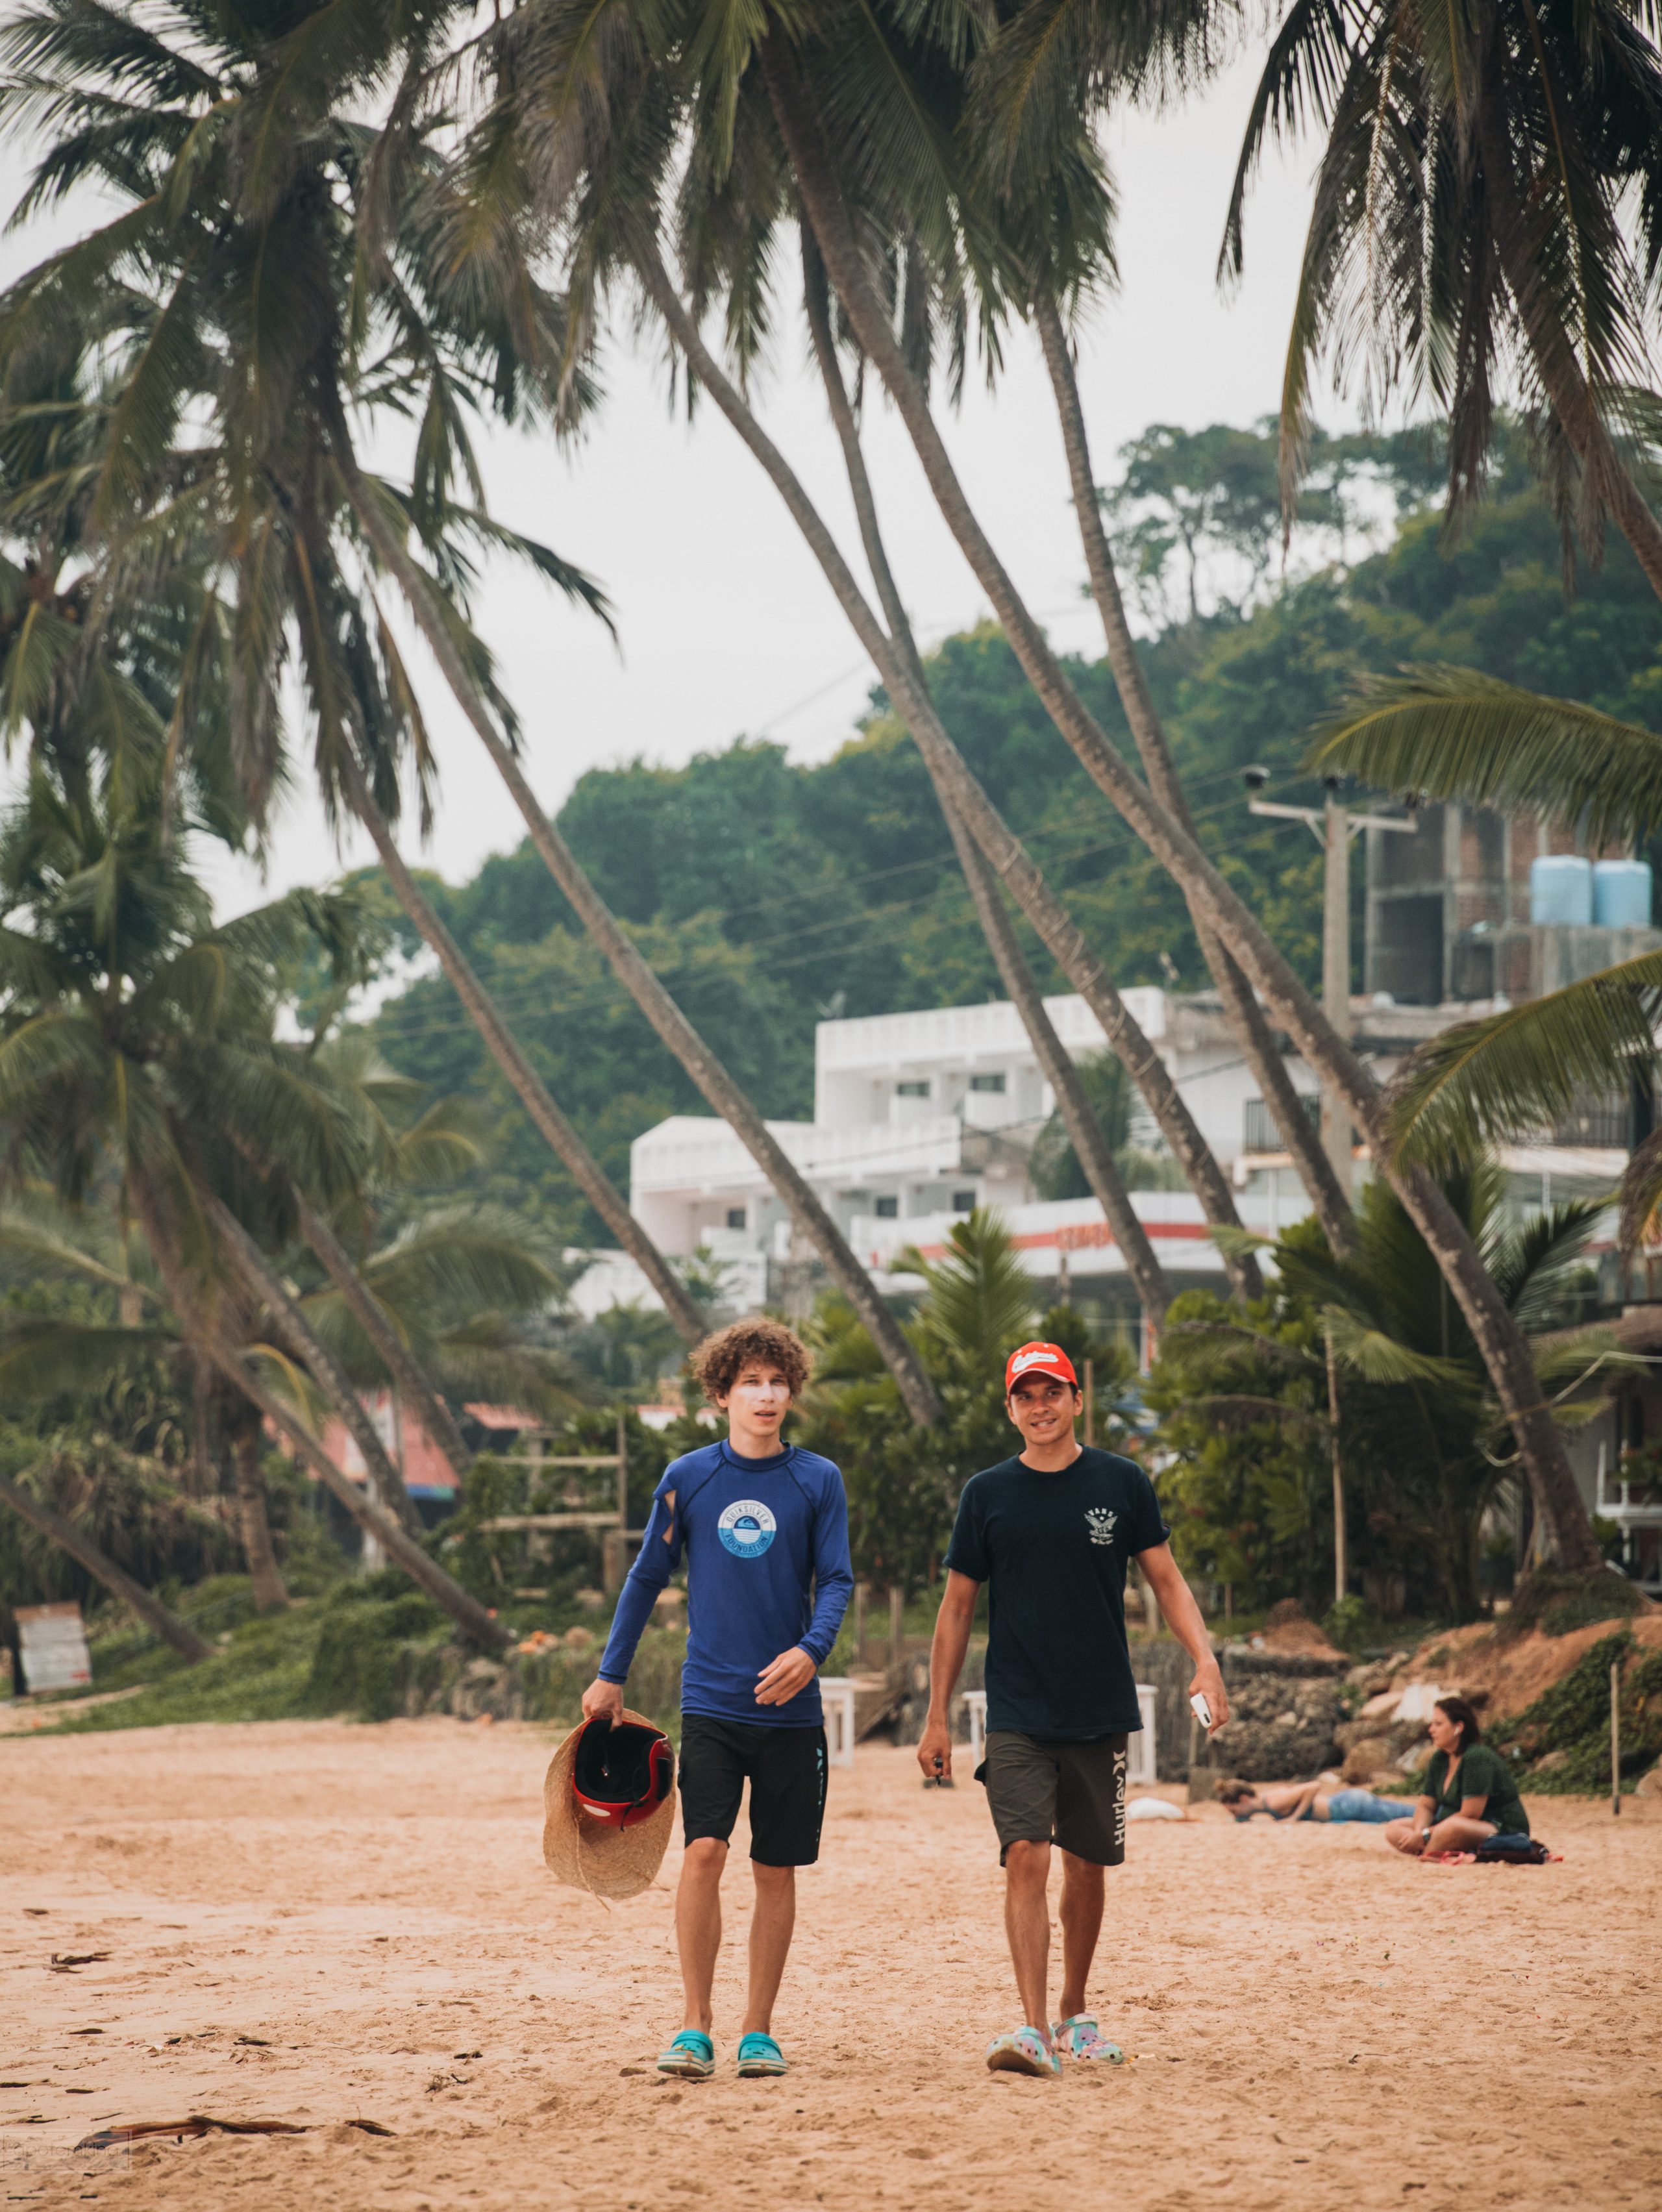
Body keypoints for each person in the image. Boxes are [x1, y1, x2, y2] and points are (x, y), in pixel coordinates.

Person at [916, 1340, 1229, 2079]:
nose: (1039, 1405)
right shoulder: (985, 1493)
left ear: (1076, 1398)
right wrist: (936, 1715)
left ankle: (1073, 2010)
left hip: (1099, 1707)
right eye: (1025, 1395)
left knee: (1086, 1868)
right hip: (1017, 1710)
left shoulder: (1121, 1482)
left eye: (1051, 1391)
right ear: (1010, 1408)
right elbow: (956, 1607)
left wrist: (1204, 1658)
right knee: (1024, 1853)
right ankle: (1030, 2028)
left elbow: (1167, 1579)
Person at [582, 1319, 851, 2083]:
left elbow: (835, 1579)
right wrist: (612, 1673)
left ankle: (757, 2030)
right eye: (750, 1382)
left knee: (775, 1866)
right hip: (710, 1702)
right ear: (722, 1392)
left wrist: (809, 1650)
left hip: (792, 1711)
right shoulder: (688, 1476)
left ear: (790, 1389)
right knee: (704, 1850)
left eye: (777, 1381)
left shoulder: (817, 1479)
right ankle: (694, 2023)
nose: (765, 1395)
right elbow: (645, 1576)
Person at [1384, 1695, 1530, 1857]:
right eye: (1432, 1724)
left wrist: (1425, 1835)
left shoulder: (1476, 1757)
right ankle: (1434, 1850)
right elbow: (1426, 1806)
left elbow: (1470, 1814)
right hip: (1447, 1827)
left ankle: (1432, 1851)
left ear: (1458, 1728)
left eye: (1438, 1724)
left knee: (1452, 1828)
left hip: (1499, 1828)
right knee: (1394, 1829)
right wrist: (1418, 1833)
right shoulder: (1440, 1759)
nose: (1431, 1729)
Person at [1217, 1777, 1407, 1824]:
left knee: (1411, 1814)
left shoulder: (1275, 1802)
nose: (1235, 1816)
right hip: (1347, 1805)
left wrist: (1295, 1817)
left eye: (1234, 1811)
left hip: (1348, 1806)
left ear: (1243, 1799)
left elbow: (1313, 1786)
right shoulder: (1265, 1802)